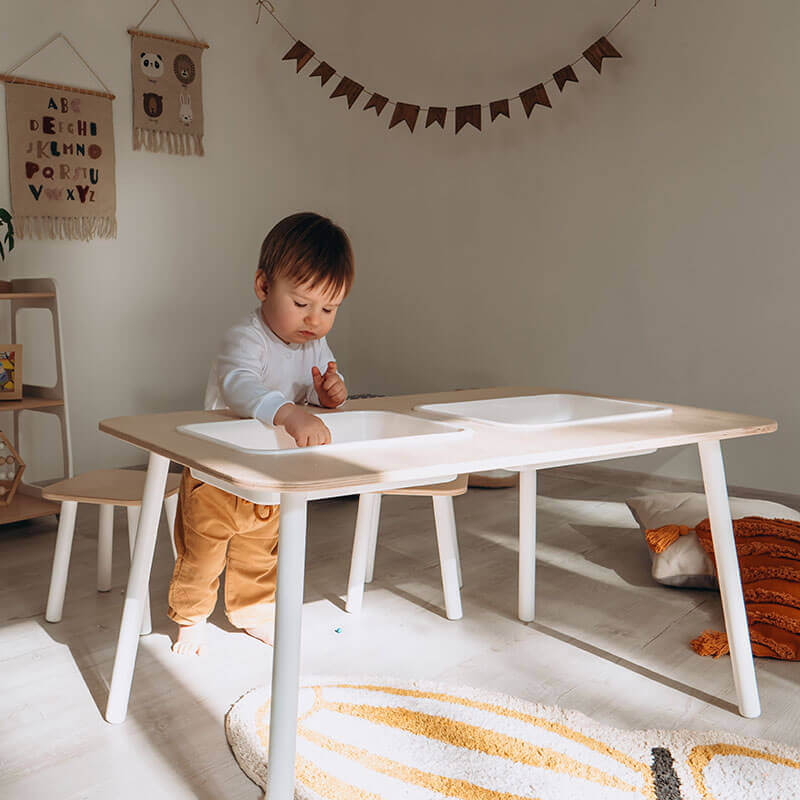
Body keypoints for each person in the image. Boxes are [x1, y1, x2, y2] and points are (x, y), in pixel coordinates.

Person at [169, 212, 354, 655]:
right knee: (201, 557)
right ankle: (190, 619)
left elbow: (314, 386)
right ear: (264, 287)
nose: (314, 319)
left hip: (270, 476)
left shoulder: (314, 344)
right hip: (218, 474)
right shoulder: (245, 338)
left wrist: (330, 394)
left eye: (328, 309)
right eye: (302, 303)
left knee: (259, 556)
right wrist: (289, 413)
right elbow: (241, 387)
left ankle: (251, 614)